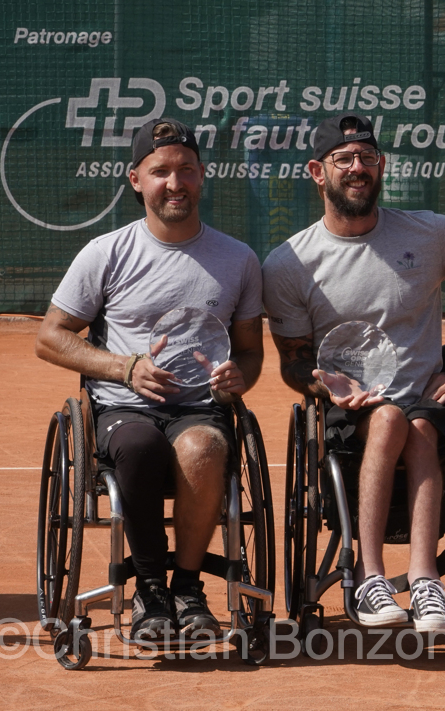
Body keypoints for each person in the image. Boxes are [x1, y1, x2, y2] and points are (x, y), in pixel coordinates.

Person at [262, 113, 445, 633]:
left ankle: (425, 580)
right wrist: (325, 385)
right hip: (348, 412)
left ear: (381, 166)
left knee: (417, 424)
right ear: (318, 173)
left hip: (425, 406)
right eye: (344, 159)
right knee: (389, 420)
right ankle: (370, 579)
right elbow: (295, 360)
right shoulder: (288, 263)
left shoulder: (431, 234)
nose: (358, 168)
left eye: (367, 157)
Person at [35, 118, 265, 643]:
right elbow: (50, 337)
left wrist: (237, 378)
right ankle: (149, 591)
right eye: (161, 171)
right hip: (123, 406)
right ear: (136, 179)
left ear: (203, 176)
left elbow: (250, 353)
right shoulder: (106, 252)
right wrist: (125, 367)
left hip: (199, 408)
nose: (175, 182)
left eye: (186, 169)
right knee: (138, 446)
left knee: (204, 449)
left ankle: (187, 589)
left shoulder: (239, 259)